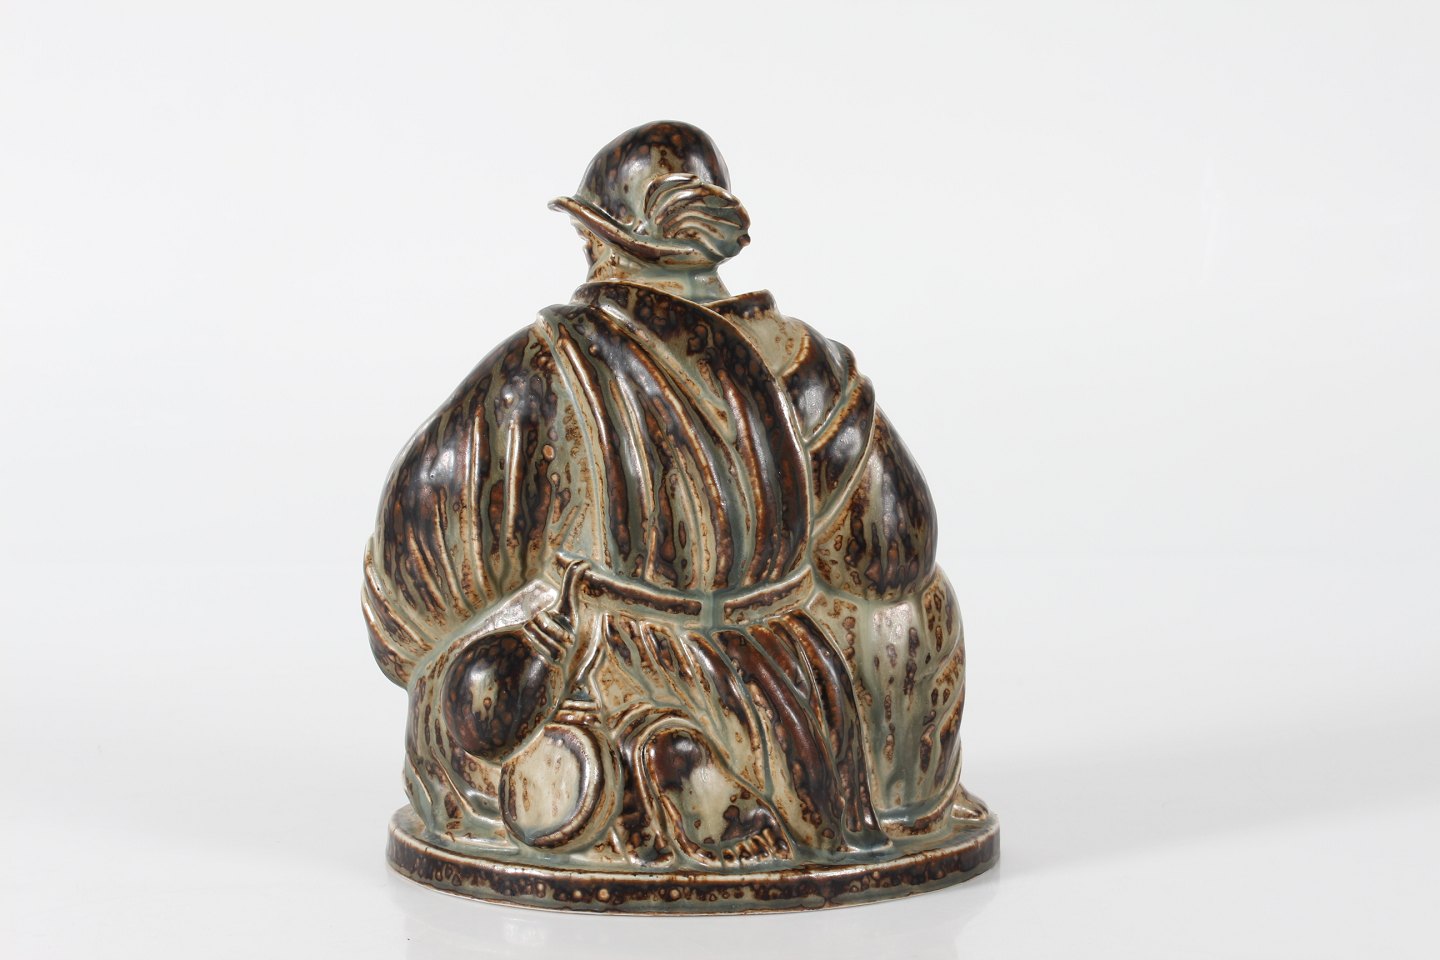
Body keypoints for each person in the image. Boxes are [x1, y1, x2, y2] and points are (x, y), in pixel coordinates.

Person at [363, 120, 986, 869]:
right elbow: (893, 551)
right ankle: (889, 801)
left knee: (467, 678)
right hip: (791, 682)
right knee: (915, 605)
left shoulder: (546, 364)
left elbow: (417, 544)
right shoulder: (807, 366)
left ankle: (647, 776)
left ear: (601, 241)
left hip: (604, 659)